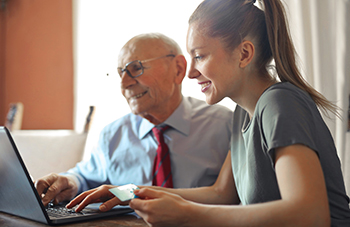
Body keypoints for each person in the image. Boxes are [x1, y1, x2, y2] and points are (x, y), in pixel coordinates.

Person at [66, 0, 350, 226]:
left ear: (244, 54)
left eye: (200, 56)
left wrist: (188, 215)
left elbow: (309, 216)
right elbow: (221, 194)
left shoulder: (279, 104)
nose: (190, 72)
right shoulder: (242, 113)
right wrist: (128, 192)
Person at [35, 33, 234, 207]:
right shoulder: (113, 134)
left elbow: (232, 197)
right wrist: (69, 182)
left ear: (178, 69)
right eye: (121, 72)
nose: (124, 83)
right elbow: (85, 177)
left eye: (136, 68)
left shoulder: (224, 125)